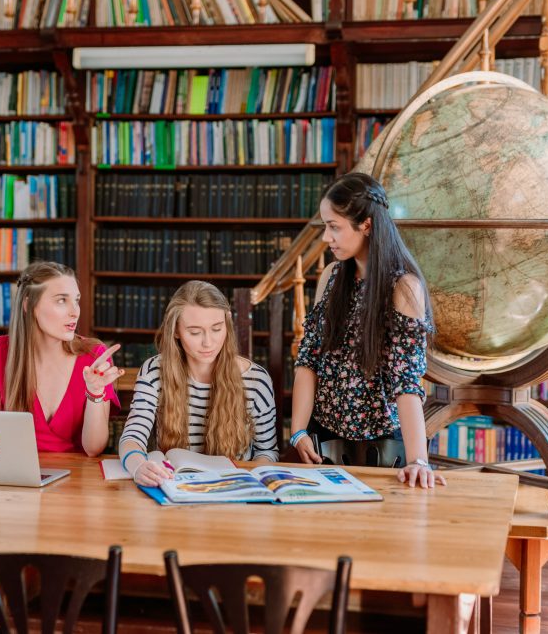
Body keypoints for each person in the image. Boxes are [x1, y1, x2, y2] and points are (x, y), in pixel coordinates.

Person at [290, 172, 445, 488]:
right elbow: (308, 360)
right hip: (323, 441)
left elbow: (407, 381)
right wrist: (298, 431)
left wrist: (418, 461)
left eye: (334, 227)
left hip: (384, 446)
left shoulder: (404, 288)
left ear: (367, 225)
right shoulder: (330, 278)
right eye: (325, 227)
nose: (325, 238)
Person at [118, 281, 278, 487]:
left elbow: (267, 452)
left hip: (233, 491)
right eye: (195, 332)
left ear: (227, 322)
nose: (208, 342)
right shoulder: (154, 371)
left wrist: (249, 482)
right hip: (173, 488)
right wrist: (138, 466)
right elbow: (133, 435)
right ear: (175, 330)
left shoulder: (256, 380)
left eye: (217, 329)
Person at [0, 261, 122, 456]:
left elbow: (93, 449)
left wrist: (95, 392)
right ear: (29, 305)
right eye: (61, 300)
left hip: (77, 480)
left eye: (76, 300)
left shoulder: (94, 356)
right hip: (15, 476)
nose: (75, 311)